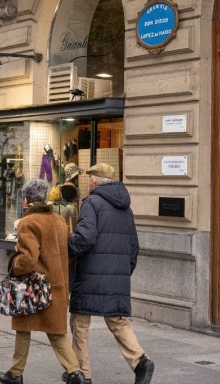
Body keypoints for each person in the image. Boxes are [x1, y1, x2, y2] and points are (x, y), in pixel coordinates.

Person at [67, 163, 154, 384]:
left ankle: (82, 374)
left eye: (90, 178)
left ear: (95, 181)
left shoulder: (91, 203)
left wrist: (67, 247)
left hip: (90, 274)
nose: (88, 183)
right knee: (117, 320)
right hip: (117, 275)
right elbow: (134, 247)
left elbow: (84, 239)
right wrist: (124, 272)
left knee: (80, 323)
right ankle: (140, 360)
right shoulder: (126, 208)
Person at [0, 179, 87, 384]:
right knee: (55, 332)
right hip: (57, 286)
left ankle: (16, 374)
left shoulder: (28, 223)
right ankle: (74, 373)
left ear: (26, 200)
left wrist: (14, 262)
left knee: (23, 327)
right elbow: (68, 253)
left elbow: (28, 260)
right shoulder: (58, 220)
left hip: (33, 287)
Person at [53, 163, 82, 234]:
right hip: (71, 216)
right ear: (74, 176)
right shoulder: (72, 187)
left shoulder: (63, 186)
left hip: (64, 215)